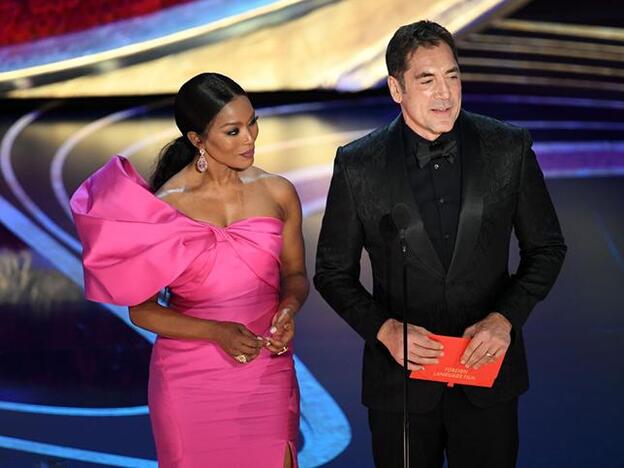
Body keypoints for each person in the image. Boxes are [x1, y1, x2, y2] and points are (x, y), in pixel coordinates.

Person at [314, 20, 566, 468]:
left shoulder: (508, 146)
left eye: (452, 76)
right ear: (396, 88)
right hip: (402, 386)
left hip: (486, 376)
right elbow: (333, 272)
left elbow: (546, 247)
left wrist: (504, 319)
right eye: (426, 80)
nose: (445, 93)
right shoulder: (359, 164)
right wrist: (384, 329)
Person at [71, 73, 308, 467]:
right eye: (233, 131)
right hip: (190, 379)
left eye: (253, 123)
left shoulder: (278, 192)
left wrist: (288, 307)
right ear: (197, 139)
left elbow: (296, 274)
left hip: (265, 369)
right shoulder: (164, 208)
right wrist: (218, 332)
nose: (249, 138)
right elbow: (141, 309)